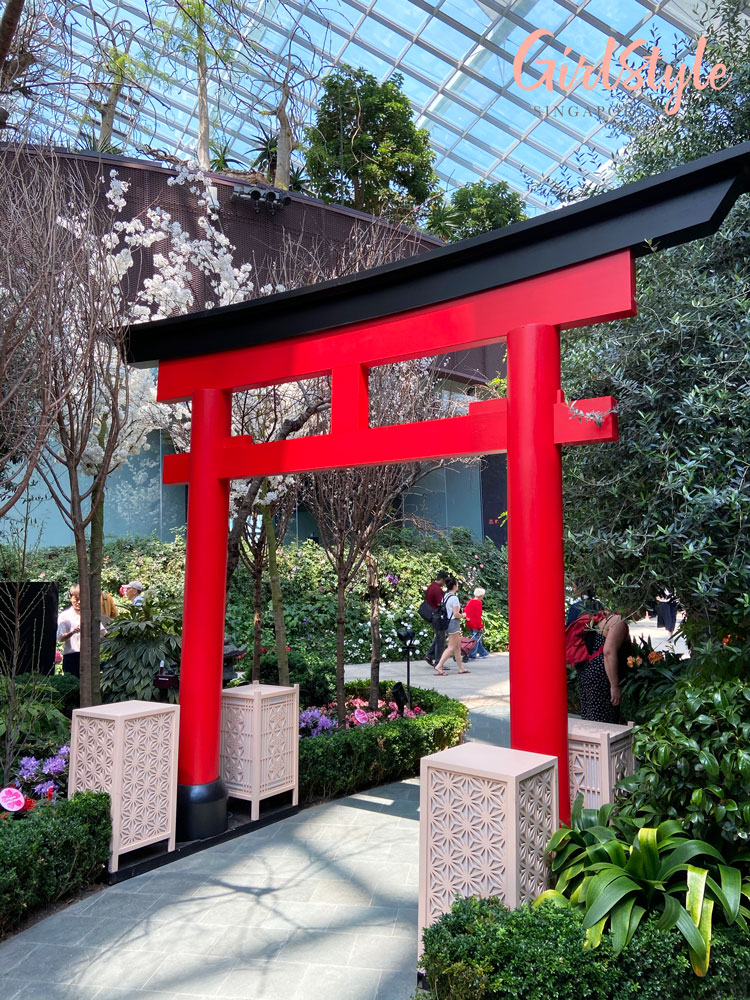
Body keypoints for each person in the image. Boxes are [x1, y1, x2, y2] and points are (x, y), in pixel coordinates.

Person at [575, 611, 630, 723]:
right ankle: (602, 740)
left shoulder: (604, 617)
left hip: (588, 669)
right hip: (602, 674)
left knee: (590, 715)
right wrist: (614, 686)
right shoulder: (618, 621)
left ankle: (590, 740)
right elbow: (608, 651)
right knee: (603, 719)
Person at [433, 576, 470, 676]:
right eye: (457, 584)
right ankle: (439, 665)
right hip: (454, 623)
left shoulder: (445, 597)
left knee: (457, 646)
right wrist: (463, 615)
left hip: (447, 622)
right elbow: (456, 614)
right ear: (454, 586)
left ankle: (460, 667)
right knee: (451, 647)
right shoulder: (454, 598)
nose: (458, 586)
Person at [424, 571, 449, 667]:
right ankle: (438, 662)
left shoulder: (431, 586)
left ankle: (429, 655)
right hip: (437, 616)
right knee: (441, 640)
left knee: (438, 637)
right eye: (445, 581)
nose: (445, 584)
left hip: (432, 615)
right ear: (442, 579)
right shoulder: (437, 589)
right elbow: (440, 603)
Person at [57, 584, 82, 678]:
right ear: (70, 597)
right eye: (76, 599)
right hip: (71, 656)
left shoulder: (90, 615)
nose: (79, 602)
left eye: (81, 599)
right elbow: (60, 638)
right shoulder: (64, 616)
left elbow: (102, 632)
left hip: (89, 656)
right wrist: (72, 632)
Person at [464, 587, 490, 659]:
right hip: (475, 624)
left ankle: (483, 653)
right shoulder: (478, 603)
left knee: (476, 638)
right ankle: (472, 654)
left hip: (470, 622)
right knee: (476, 640)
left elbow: (465, 611)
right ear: (481, 596)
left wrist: (466, 618)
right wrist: (480, 626)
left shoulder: (470, 601)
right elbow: (478, 615)